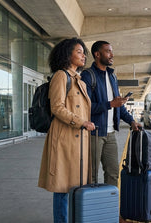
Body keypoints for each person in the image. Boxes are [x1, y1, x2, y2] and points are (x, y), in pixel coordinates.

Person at [38, 38, 95, 223]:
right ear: (67, 54)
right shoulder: (61, 76)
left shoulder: (80, 81)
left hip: (78, 140)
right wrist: (82, 122)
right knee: (63, 187)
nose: (83, 55)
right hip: (64, 139)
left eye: (83, 52)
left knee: (76, 186)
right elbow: (57, 107)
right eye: (79, 51)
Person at [81, 40, 141, 187]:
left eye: (111, 51)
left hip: (111, 134)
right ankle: (91, 208)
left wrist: (131, 121)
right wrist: (110, 104)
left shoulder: (112, 76)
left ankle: (109, 206)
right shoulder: (88, 76)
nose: (112, 55)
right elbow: (84, 107)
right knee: (91, 175)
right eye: (108, 51)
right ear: (97, 54)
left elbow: (118, 107)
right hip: (94, 133)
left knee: (113, 173)